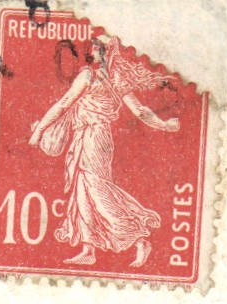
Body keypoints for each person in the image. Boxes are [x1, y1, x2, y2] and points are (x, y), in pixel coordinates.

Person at [28, 35, 181, 268]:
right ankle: (88, 248)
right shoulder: (117, 79)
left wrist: (39, 131)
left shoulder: (88, 76)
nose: (94, 52)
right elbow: (140, 111)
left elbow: (63, 103)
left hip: (92, 137)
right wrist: (165, 125)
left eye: (97, 49)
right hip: (93, 137)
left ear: (101, 52)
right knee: (83, 192)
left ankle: (139, 239)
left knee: (97, 192)